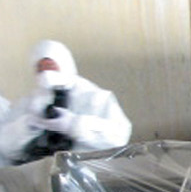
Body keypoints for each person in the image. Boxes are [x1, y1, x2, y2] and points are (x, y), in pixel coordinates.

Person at [0, 40, 131, 165]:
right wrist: (26, 127)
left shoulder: (95, 98)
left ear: (64, 64)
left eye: (50, 65)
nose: (45, 72)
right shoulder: (28, 103)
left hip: (87, 174)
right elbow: (5, 147)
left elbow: (119, 136)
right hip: (40, 177)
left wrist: (74, 125)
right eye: (40, 68)